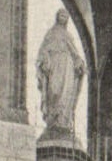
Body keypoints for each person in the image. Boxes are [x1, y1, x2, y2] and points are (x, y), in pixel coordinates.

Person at [35, 9, 85, 137]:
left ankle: (63, 121)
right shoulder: (50, 34)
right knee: (54, 91)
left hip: (66, 67)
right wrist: (45, 60)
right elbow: (43, 51)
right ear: (57, 17)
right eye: (61, 15)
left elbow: (74, 51)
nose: (63, 17)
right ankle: (53, 120)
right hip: (54, 67)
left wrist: (79, 61)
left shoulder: (68, 35)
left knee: (65, 94)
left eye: (66, 16)